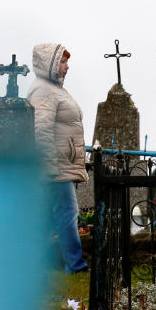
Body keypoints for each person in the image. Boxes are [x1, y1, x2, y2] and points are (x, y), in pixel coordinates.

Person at [27, 43, 89, 274]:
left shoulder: (55, 89)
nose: (67, 67)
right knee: (67, 213)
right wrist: (49, 165)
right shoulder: (44, 91)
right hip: (55, 166)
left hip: (61, 163)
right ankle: (76, 266)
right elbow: (40, 131)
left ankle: (30, 266)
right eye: (63, 62)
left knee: (49, 217)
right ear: (50, 64)